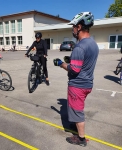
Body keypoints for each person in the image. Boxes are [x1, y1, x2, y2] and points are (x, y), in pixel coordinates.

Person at [54, 12, 99, 147]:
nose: (72, 29)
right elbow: (84, 63)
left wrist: (61, 63)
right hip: (87, 83)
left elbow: (74, 69)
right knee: (77, 108)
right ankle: (75, 127)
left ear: (79, 27)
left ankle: (81, 138)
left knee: (77, 111)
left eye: (73, 26)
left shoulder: (80, 47)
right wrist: (71, 60)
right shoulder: (93, 44)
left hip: (78, 85)